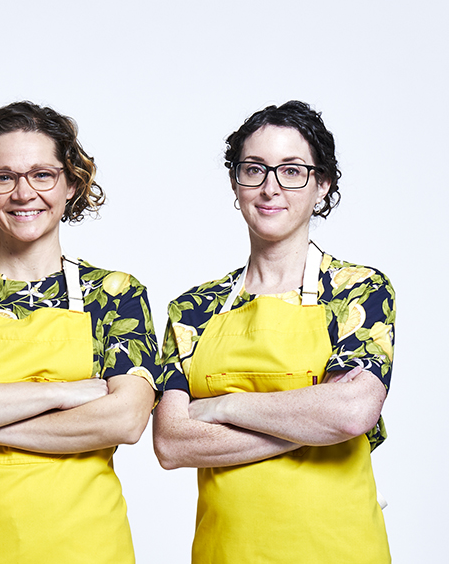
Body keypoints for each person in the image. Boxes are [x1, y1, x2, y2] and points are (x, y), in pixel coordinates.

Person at [0, 101, 158, 564]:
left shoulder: (115, 294)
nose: (23, 193)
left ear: (71, 183)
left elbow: (125, 419)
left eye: (42, 175)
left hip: (84, 547)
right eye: (4, 177)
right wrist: (67, 393)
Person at [153, 101, 394, 562]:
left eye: (292, 171)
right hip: (227, 551)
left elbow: (350, 411)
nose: (270, 188)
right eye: (254, 169)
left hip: (339, 549)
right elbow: (171, 442)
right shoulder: (192, 310)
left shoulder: (356, 292)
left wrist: (223, 406)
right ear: (235, 182)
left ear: (322, 184)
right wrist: (310, 421)